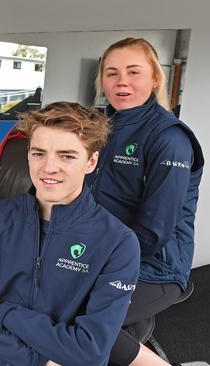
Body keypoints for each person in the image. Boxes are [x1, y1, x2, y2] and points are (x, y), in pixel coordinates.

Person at [0, 102, 141, 365]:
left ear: (91, 161)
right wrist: (37, 361)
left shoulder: (118, 243)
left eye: (67, 156)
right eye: (39, 153)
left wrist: (5, 313)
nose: (49, 167)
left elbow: (91, 351)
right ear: (28, 155)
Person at [89, 37, 204, 366]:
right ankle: (134, 326)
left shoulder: (169, 139)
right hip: (101, 253)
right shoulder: (98, 129)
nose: (121, 81)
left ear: (155, 78)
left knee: (79, 321)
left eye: (133, 72)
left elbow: (153, 233)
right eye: (111, 73)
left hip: (155, 266)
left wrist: (94, 267)